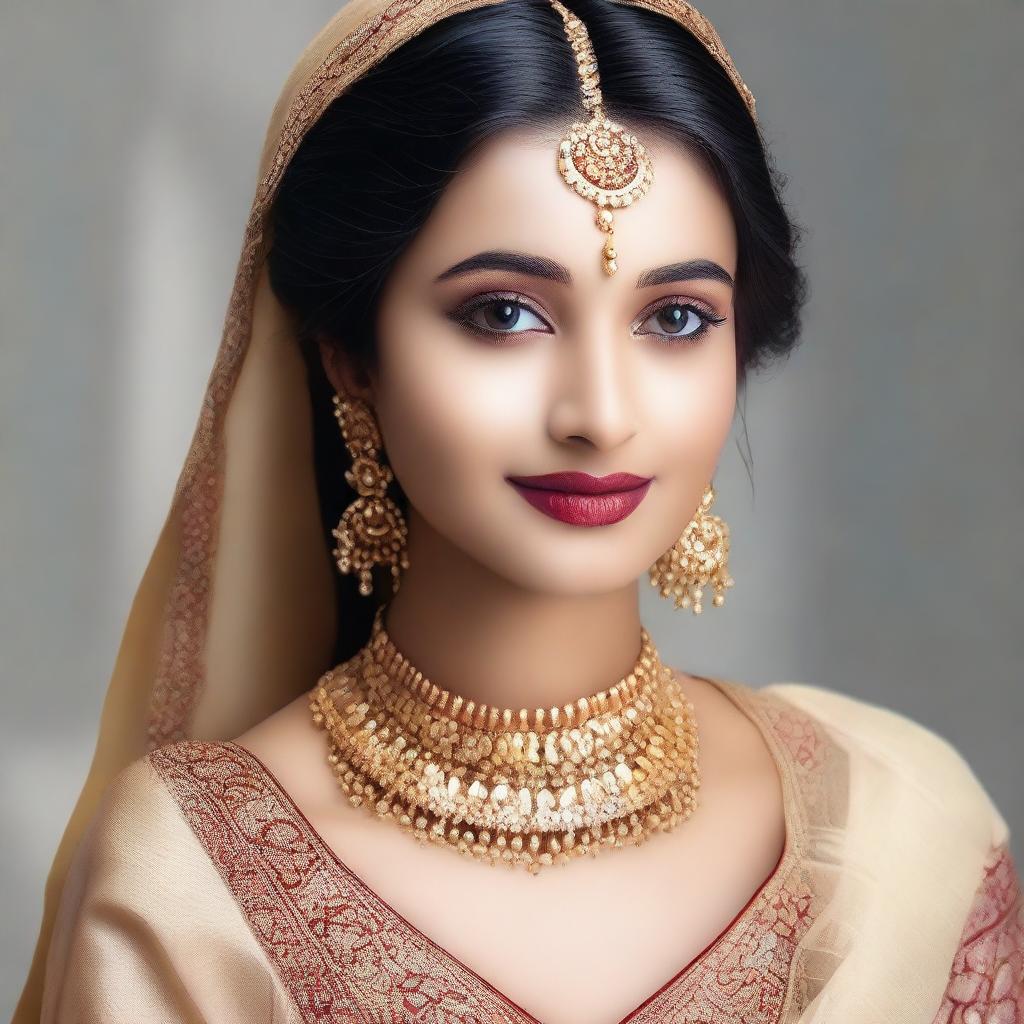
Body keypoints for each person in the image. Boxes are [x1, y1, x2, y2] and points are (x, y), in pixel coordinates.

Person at [16, 0, 1021, 1020]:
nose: (600, 413)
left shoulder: (902, 827)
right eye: (504, 314)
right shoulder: (193, 878)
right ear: (349, 353)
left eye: (674, 318)